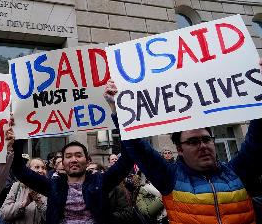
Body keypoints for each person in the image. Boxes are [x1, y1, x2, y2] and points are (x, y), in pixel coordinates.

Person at [104, 69, 262, 223]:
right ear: (179, 149)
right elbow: (138, 148)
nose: (203, 146)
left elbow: (257, 140)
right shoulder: (170, 177)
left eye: (207, 139)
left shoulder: (236, 172)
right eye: (193, 142)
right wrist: (119, 111)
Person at [12, 139, 134, 224]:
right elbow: (20, 170)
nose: (73, 159)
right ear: (63, 163)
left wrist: (118, 117)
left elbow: (126, 162)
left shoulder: (100, 181)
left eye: (78, 155)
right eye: (69, 156)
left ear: (87, 161)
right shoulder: (53, 185)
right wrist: (19, 134)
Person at [0, 158, 47, 224]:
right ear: (28, 170)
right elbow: (4, 213)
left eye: (43, 168)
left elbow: (52, 217)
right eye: (37, 167)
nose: (41, 170)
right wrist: (24, 204)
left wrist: (39, 202)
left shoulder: (49, 189)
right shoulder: (17, 186)